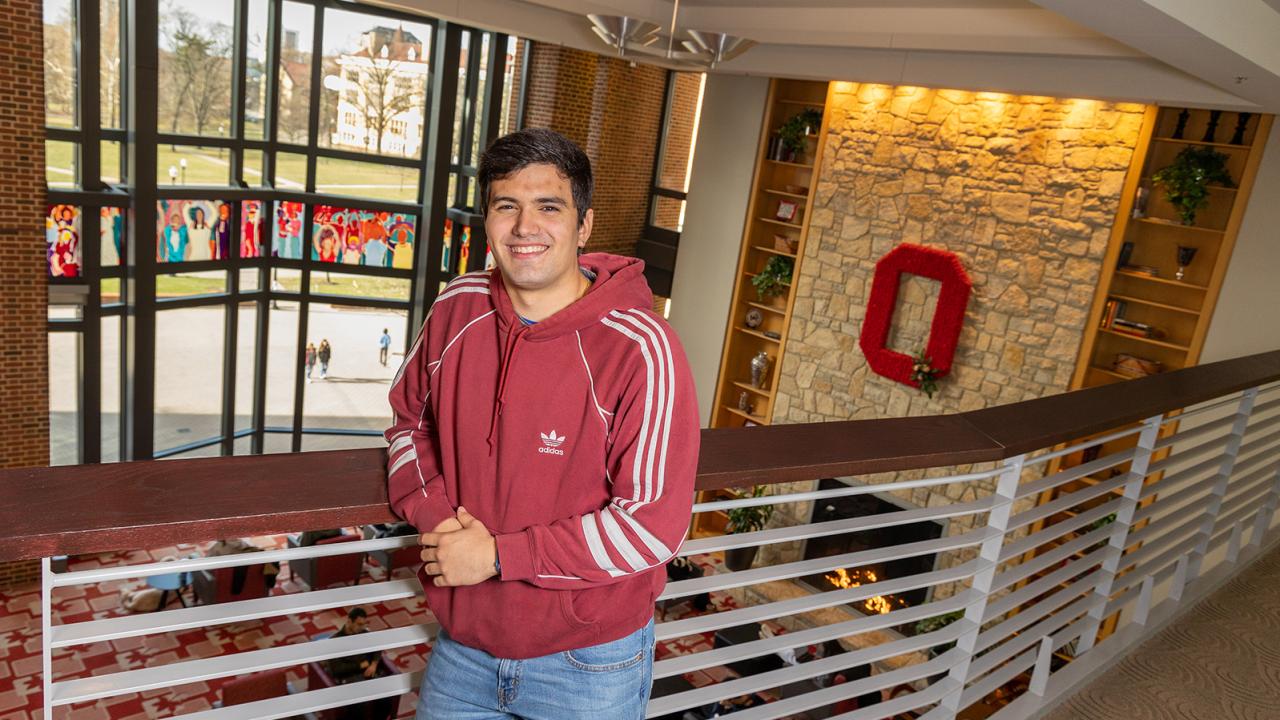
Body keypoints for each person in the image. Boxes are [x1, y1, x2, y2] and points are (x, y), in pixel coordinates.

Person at [384, 128, 700, 720]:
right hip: (465, 647)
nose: (525, 227)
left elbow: (653, 527)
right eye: (507, 207)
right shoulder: (457, 306)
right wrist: (442, 524)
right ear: (488, 223)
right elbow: (408, 424)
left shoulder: (642, 348)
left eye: (548, 207)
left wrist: (499, 556)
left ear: (583, 226)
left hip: (589, 662)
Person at [326, 607, 398, 720]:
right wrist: (359, 666)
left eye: (364, 624)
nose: (362, 627)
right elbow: (337, 670)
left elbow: (377, 648)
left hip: (368, 674)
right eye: (359, 624)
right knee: (358, 706)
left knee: (385, 698)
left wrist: (374, 664)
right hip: (350, 678)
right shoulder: (335, 641)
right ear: (349, 621)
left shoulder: (364, 633)